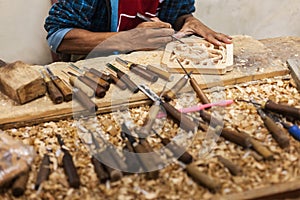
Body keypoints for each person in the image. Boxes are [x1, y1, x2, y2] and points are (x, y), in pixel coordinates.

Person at [44, 0, 232, 61]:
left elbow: (178, 14)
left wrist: (188, 21)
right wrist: (129, 40)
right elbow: (58, 36)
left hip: (149, 67)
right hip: (98, 70)